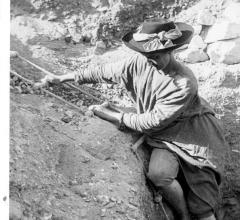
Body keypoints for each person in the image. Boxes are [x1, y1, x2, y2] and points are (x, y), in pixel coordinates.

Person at [37, 20, 229, 220]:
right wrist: (63, 78)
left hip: (196, 137)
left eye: (156, 56)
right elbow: (102, 72)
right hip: (164, 136)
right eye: (146, 56)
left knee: (203, 209)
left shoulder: (184, 82)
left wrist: (114, 116)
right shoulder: (139, 63)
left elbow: (152, 121)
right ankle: (182, 216)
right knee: (159, 176)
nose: (150, 61)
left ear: (171, 52)